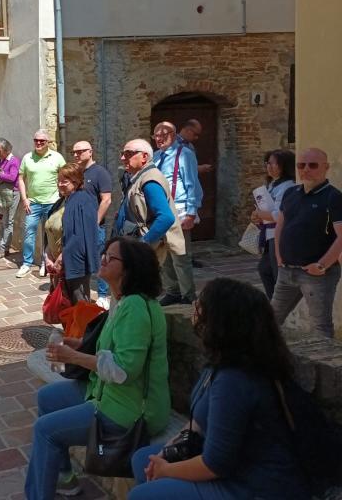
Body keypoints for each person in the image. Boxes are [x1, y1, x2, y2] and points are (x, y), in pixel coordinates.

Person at [129, 278, 310, 500]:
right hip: (232, 466)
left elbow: (215, 464)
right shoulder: (222, 361)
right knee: (143, 460)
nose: (195, 309)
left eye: (200, 306)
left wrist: (166, 470)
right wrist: (166, 451)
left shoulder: (234, 381)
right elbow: (199, 421)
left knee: (142, 495)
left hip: (254, 486)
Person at [25, 237, 170, 499]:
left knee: (45, 430)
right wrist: (78, 344)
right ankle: (64, 477)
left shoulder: (136, 307)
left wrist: (74, 357)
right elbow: (116, 346)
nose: (102, 259)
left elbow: (124, 370)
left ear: (128, 269)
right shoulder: (122, 300)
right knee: (47, 398)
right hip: (108, 393)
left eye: (110, 257)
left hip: (131, 411)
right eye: (104, 253)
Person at [272, 147, 342, 338]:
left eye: (312, 165)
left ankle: (326, 366)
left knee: (320, 327)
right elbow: (280, 226)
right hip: (286, 270)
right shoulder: (291, 193)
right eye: (301, 165)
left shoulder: (333, 197)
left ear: (326, 167)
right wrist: (279, 256)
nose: (306, 170)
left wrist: (322, 265)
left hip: (317, 275)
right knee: (270, 320)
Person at [113, 139, 185, 266]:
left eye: (128, 154)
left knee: (141, 284)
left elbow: (166, 218)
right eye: (122, 154)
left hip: (142, 250)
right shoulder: (138, 176)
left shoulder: (150, 180)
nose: (123, 158)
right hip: (132, 243)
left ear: (144, 157)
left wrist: (143, 243)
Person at [152, 122, 201, 305]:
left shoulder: (184, 155)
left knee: (181, 256)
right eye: (156, 135)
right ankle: (172, 291)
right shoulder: (156, 157)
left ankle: (188, 294)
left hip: (179, 211)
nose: (159, 139)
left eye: (163, 135)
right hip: (160, 213)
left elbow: (191, 184)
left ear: (173, 135)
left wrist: (190, 212)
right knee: (164, 256)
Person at [46, 164, 100, 302]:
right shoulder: (61, 202)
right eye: (58, 180)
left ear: (76, 181)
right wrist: (47, 255)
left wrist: (62, 257)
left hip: (74, 263)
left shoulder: (83, 201)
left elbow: (81, 236)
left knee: (79, 306)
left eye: (64, 181)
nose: (60, 184)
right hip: (57, 264)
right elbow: (51, 231)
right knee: (64, 305)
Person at [17, 130, 66, 278]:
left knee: (49, 234)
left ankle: (46, 262)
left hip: (52, 203)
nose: (38, 143)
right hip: (33, 203)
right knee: (29, 232)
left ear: (48, 143)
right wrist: (24, 199)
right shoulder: (27, 157)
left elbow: (64, 176)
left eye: (42, 141)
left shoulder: (57, 157)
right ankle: (27, 263)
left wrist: (62, 196)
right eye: (36, 140)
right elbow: (20, 178)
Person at [72, 140, 113, 308]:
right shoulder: (77, 173)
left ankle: (103, 295)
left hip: (94, 227)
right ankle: (84, 294)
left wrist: (94, 222)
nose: (76, 155)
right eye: (74, 152)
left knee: (98, 261)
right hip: (78, 226)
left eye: (80, 151)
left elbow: (106, 200)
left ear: (90, 152)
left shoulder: (100, 173)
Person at [250, 149, 296, 299]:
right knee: (265, 269)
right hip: (269, 234)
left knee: (276, 273)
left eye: (274, 164)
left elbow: (278, 215)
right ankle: (273, 304)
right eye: (267, 163)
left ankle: (279, 307)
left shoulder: (288, 186)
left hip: (279, 234)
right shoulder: (273, 185)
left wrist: (259, 214)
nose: (269, 167)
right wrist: (257, 216)